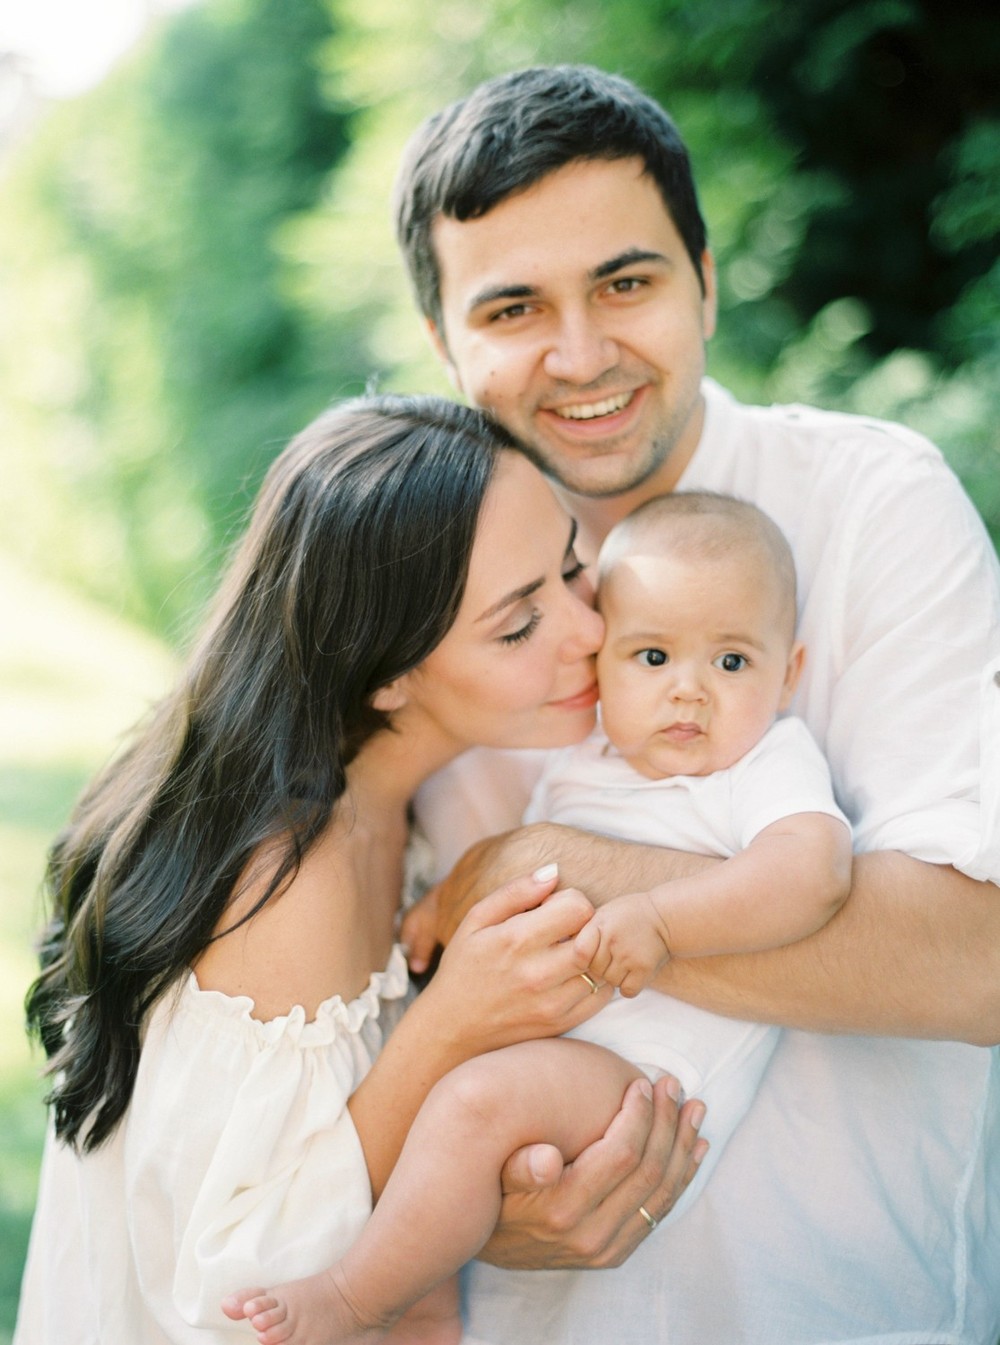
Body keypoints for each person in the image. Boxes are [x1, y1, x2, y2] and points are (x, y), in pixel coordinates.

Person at [392, 65, 1000, 1341]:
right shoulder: (398, 589)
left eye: (626, 282)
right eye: (511, 307)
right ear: (446, 345)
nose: (580, 352)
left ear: (706, 282)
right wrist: (454, 1201)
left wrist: (534, 866)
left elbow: (975, 957)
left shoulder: (871, 505)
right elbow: (357, 1004)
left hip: (841, 1310)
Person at [14, 393, 708, 1344]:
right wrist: (448, 1027)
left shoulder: (397, 804)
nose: (589, 631)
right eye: (517, 626)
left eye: (572, 570)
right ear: (384, 672)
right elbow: (236, 1294)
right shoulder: (279, 880)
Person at [224, 490, 851, 1345]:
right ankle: (429, 1301)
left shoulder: (765, 761)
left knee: (473, 1101)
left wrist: (663, 921)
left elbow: (811, 875)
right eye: (654, 656)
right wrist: (443, 906)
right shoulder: (590, 757)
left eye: (733, 663)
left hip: (650, 1072)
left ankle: (357, 1299)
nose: (689, 693)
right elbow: (530, 861)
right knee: (434, 1077)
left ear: (791, 670)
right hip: (571, 1041)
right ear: (606, 661)